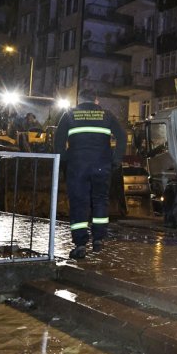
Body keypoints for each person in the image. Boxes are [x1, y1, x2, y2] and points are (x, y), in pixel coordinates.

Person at [54, 89, 126, 259]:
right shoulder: (106, 115)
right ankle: (98, 239)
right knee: (100, 200)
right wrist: (115, 160)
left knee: (79, 202)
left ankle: (80, 244)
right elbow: (122, 137)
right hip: (102, 165)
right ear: (96, 100)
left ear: (79, 100)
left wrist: (64, 161)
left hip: (77, 166)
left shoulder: (69, 115)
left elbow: (58, 142)